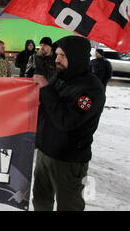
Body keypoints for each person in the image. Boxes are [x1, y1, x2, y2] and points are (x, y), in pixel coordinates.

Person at [32, 35, 105, 211]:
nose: (57, 59)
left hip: (68, 161)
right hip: (45, 154)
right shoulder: (60, 77)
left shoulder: (91, 89)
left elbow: (66, 120)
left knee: (69, 206)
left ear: (77, 57)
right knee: (41, 201)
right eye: (57, 54)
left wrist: (46, 89)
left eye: (63, 56)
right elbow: (46, 109)